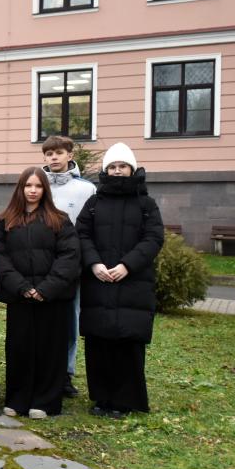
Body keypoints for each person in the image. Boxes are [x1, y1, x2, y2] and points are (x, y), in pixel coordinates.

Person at [76, 143, 164, 418]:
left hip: (132, 284)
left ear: (132, 169)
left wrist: (128, 265)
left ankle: (124, 401)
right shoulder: (93, 203)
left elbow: (153, 238)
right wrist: (94, 263)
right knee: (99, 343)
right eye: (112, 167)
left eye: (122, 167)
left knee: (127, 342)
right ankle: (101, 398)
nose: (116, 172)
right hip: (99, 281)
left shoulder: (146, 203)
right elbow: (81, 235)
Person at [0, 167, 80, 419]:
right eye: (28, 186)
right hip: (20, 298)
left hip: (51, 299)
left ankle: (45, 400)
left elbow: (69, 257)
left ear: (44, 190)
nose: (32, 191)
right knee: (20, 349)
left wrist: (45, 289)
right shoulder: (4, 222)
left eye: (37, 186)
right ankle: (18, 399)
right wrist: (23, 287)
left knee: (49, 350)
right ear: (20, 188)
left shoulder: (59, 220)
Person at [41, 135, 96, 398]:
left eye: (58, 153)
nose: (53, 158)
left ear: (69, 155)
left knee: (69, 322)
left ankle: (65, 373)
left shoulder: (85, 189)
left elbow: (90, 229)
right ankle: (41, 370)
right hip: (40, 265)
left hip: (71, 267)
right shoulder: (36, 184)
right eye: (49, 153)